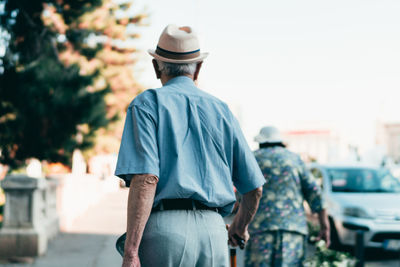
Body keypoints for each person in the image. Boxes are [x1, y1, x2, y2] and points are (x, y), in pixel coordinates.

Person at [114, 24, 265, 267]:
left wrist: (131, 251)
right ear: (198, 69)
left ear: (156, 67)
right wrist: (239, 227)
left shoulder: (146, 104)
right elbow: (254, 189)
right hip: (214, 233)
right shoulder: (222, 110)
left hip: (165, 231)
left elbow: (146, 178)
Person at [245, 126, 330, 267]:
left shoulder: (253, 159)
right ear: (280, 141)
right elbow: (314, 192)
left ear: (260, 142)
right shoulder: (294, 159)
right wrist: (324, 227)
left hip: (260, 230)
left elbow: (242, 195)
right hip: (293, 230)